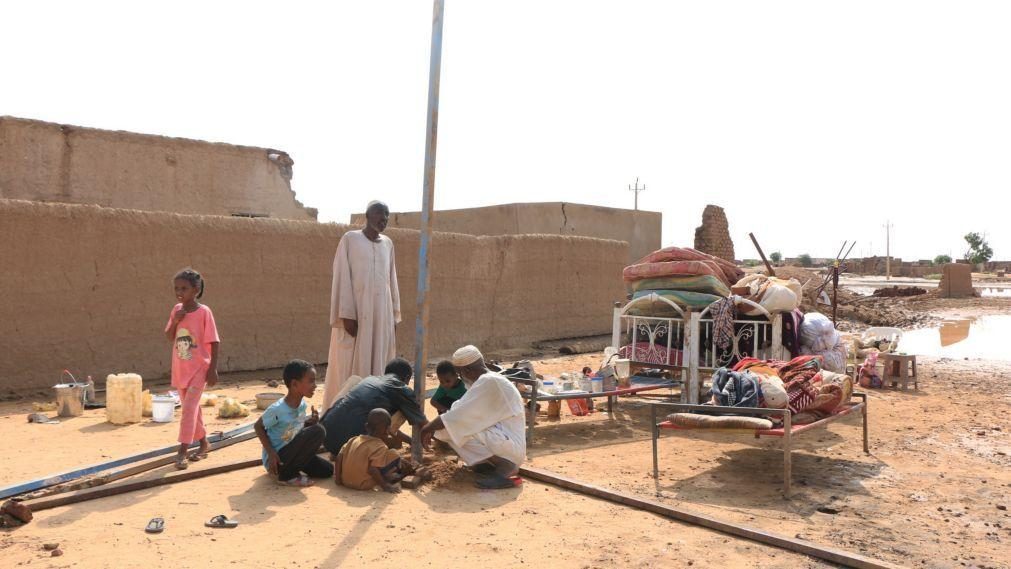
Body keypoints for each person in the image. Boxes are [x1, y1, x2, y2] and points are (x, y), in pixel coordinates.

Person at [323, 201, 401, 411]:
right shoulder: (350, 239)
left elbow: (391, 280)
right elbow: (342, 275)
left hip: (381, 313)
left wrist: (394, 315)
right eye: (379, 214)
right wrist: (346, 313)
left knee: (379, 361)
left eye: (387, 215)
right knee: (350, 363)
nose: (383, 219)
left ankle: (375, 412)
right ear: (367, 215)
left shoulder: (388, 244)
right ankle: (342, 412)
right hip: (356, 312)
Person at [421, 345, 526, 490]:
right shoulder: (487, 381)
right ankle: (487, 465)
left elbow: (459, 415)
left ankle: (504, 469)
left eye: (459, 373)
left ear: (466, 371)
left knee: (453, 427)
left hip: (510, 448)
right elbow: (458, 408)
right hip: (505, 442)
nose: (461, 377)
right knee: (450, 428)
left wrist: (427, 428)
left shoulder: (489, 381)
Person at [165, 268, 220, 471]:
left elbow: (214, 341)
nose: (180, 292)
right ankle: (204, 443)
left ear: (195, 290)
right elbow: (170, 336)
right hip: (181, 368)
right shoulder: (176, 309)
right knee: (193, 410)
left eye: (184, 288)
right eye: (177, 288)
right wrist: (176, 320)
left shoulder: (204, 312)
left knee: (188, 409)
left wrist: (212, 368)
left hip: (199, 368)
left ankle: (182, 450)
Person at [321, 358, 427, 457]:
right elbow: (421, 421)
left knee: (355, 382)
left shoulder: (369, 380)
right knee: (405, 409)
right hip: (353, 447)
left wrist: (410, 441)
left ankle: (339, 454)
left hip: (327, 438)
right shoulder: (400, 387)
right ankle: (366, 451)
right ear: (407, 377)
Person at [255, 359, 333, 487]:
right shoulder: (278, 409)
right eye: (311, 381)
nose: (315, 385)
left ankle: (293, 469)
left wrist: (309, 423)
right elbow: (258, 426)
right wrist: (271, 452)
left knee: (328, 470)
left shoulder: (301, 405)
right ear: (295, 384)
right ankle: (287, 476)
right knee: (319, 431)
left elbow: (293, 428)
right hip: (278, 459)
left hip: (292, 451)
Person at [334, 409, 410, 493]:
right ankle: (388, 478)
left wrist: (338, 480)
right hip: (363, 484)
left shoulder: (353, 439)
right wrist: (385, 486)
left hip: (345, 481)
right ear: (387, 429)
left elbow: (338, 458)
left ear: (366, 426)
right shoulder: (380, 446)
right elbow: (372, 470)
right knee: (394, 454)